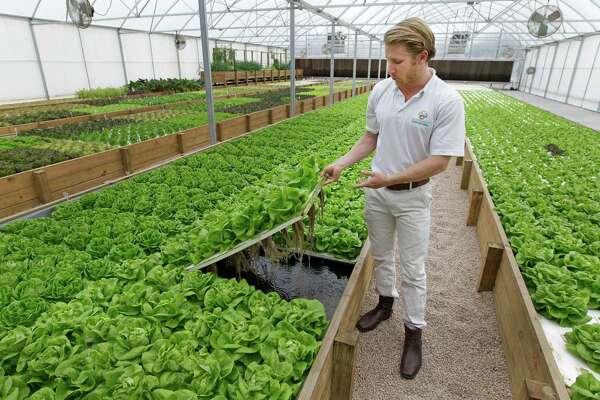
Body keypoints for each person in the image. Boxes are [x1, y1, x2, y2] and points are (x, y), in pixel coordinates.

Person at [322, 17, 465, 379]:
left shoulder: (445, 100)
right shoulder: (382, 90)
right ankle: (385, 304)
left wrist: (394, 177)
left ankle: (413, 331)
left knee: (414, 269)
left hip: (414, 197)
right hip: (378, 192)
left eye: (398, 61)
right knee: (382, 255)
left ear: (422, 57)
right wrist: (341, 163)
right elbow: (371, 137)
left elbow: (441, 161)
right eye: (388, 59)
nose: (390, 68)